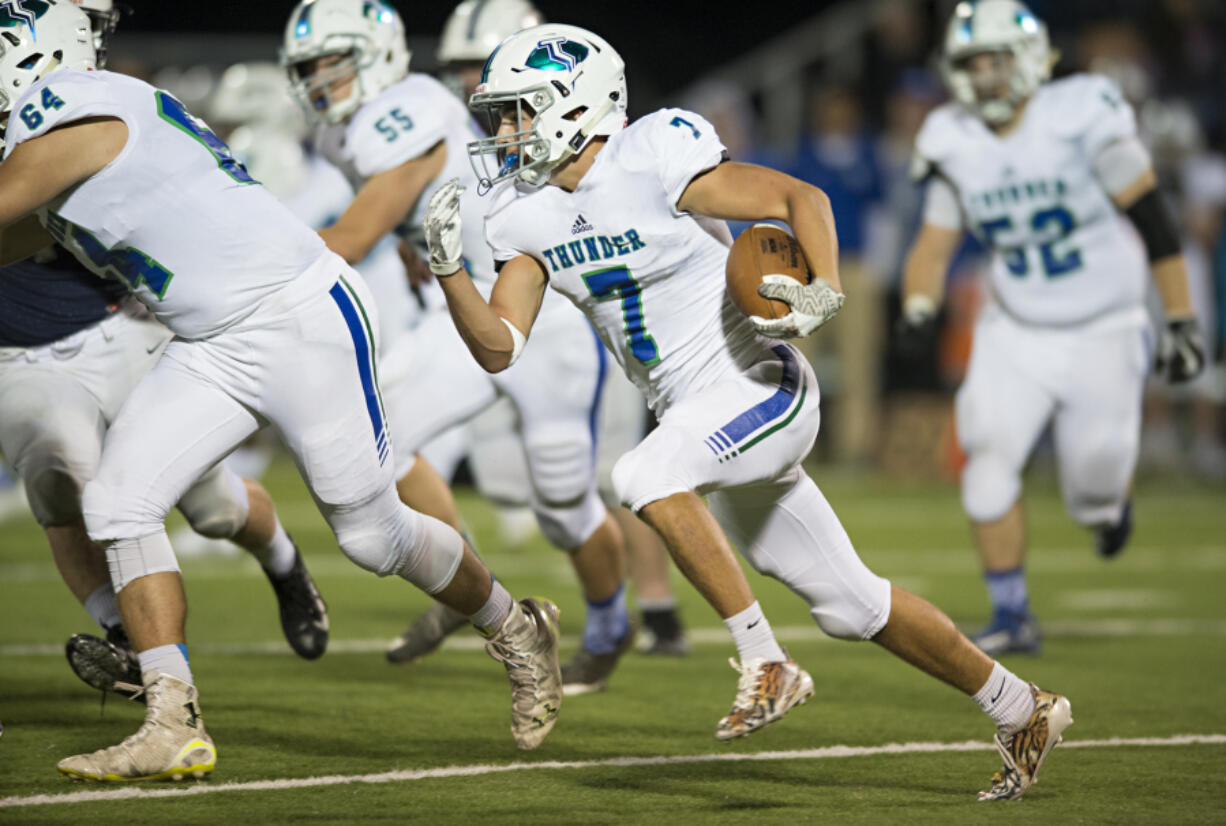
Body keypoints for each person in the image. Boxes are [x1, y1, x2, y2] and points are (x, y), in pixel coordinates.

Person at [424, 21, 1074, 801]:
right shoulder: (519, 214)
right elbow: (499, 346)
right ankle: (1021, 707)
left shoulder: (653, 152)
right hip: (697, 417)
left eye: (519, 110)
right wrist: (449, 274)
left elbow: (798, 197)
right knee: (850, 603)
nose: (503, 130)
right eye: (500, 114)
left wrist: (822, 289)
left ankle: (765, 660)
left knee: (644, 471)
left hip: (758, 382)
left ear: (576, 104)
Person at [0, 2, 561, 781]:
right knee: (117, 503)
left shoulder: (76, 105)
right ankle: (173, 719)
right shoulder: (67, 127)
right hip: (211, 340)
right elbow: (20, 233)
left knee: (372, 537)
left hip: (297, 316)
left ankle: (515, 625)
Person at [281, 0, 635, 694]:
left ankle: (609, 624)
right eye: (310, 67)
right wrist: (417, 246)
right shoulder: (347, 135)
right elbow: (404, 213)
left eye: (333, 61)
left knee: (563, 506)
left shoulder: (409, 112)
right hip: (461, 302)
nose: (478, 87)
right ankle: (471, 585)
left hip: (543, 313)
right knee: (381, 437)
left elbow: (355, 233)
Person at [0, 0, 328, 701]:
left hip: (124, 328)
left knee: (210, 506)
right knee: (64, 482)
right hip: (17, 351)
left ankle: (283, 560)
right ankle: (129, 641)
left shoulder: (92, 113)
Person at [899, 0, 1204, 655]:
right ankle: (1012, 613)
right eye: (970, 63)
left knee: (1091, 488)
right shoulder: (952, 137)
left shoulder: (1080, 113)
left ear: (1030, 60)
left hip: (1105, 323)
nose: (982, 76)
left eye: (995, 60)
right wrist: (919, 308)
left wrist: (1180, 317)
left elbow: (1153, 216)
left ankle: (1106, 511)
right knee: (988, 456)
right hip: (1017, 324)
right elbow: (932, 243)